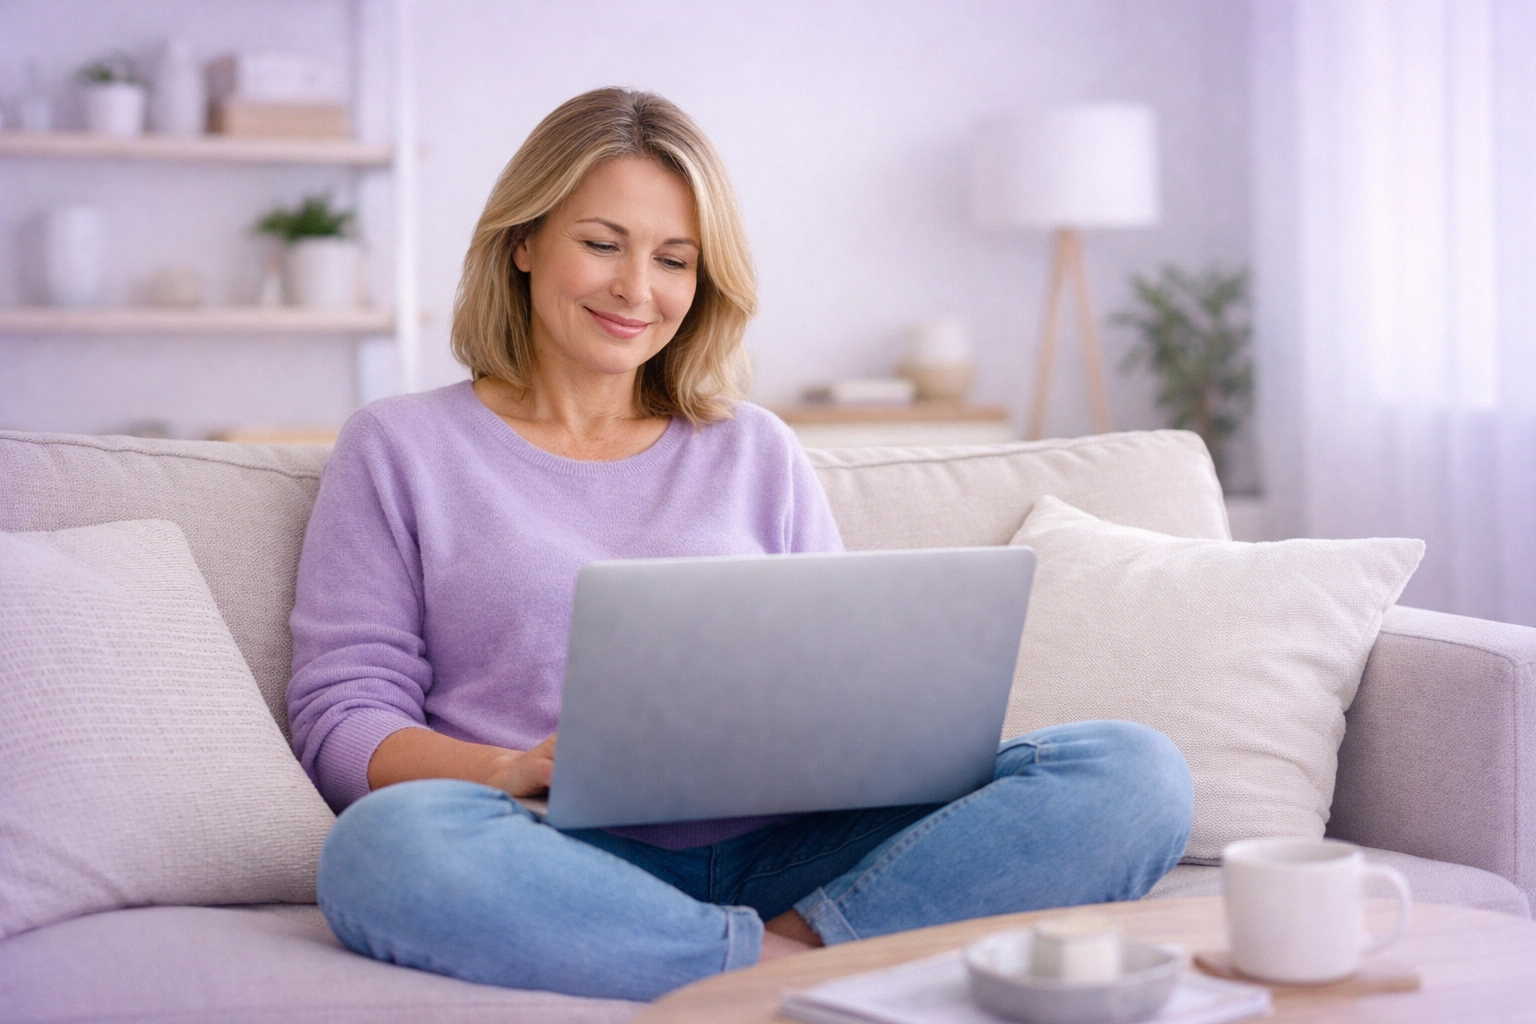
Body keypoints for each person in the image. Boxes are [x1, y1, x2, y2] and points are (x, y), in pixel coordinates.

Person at [288, 87, 1193, 1004]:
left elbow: (846, 681)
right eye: (602, 243)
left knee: (1132, 773)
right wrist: (506, 768)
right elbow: (342, 717)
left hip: (796, 850)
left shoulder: (754, 447)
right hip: (550, 850)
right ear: (523, 242)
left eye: (673, 259)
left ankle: (767, 961)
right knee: (382, 854)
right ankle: (799, 976)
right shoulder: (399, 448)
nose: (636, 289)